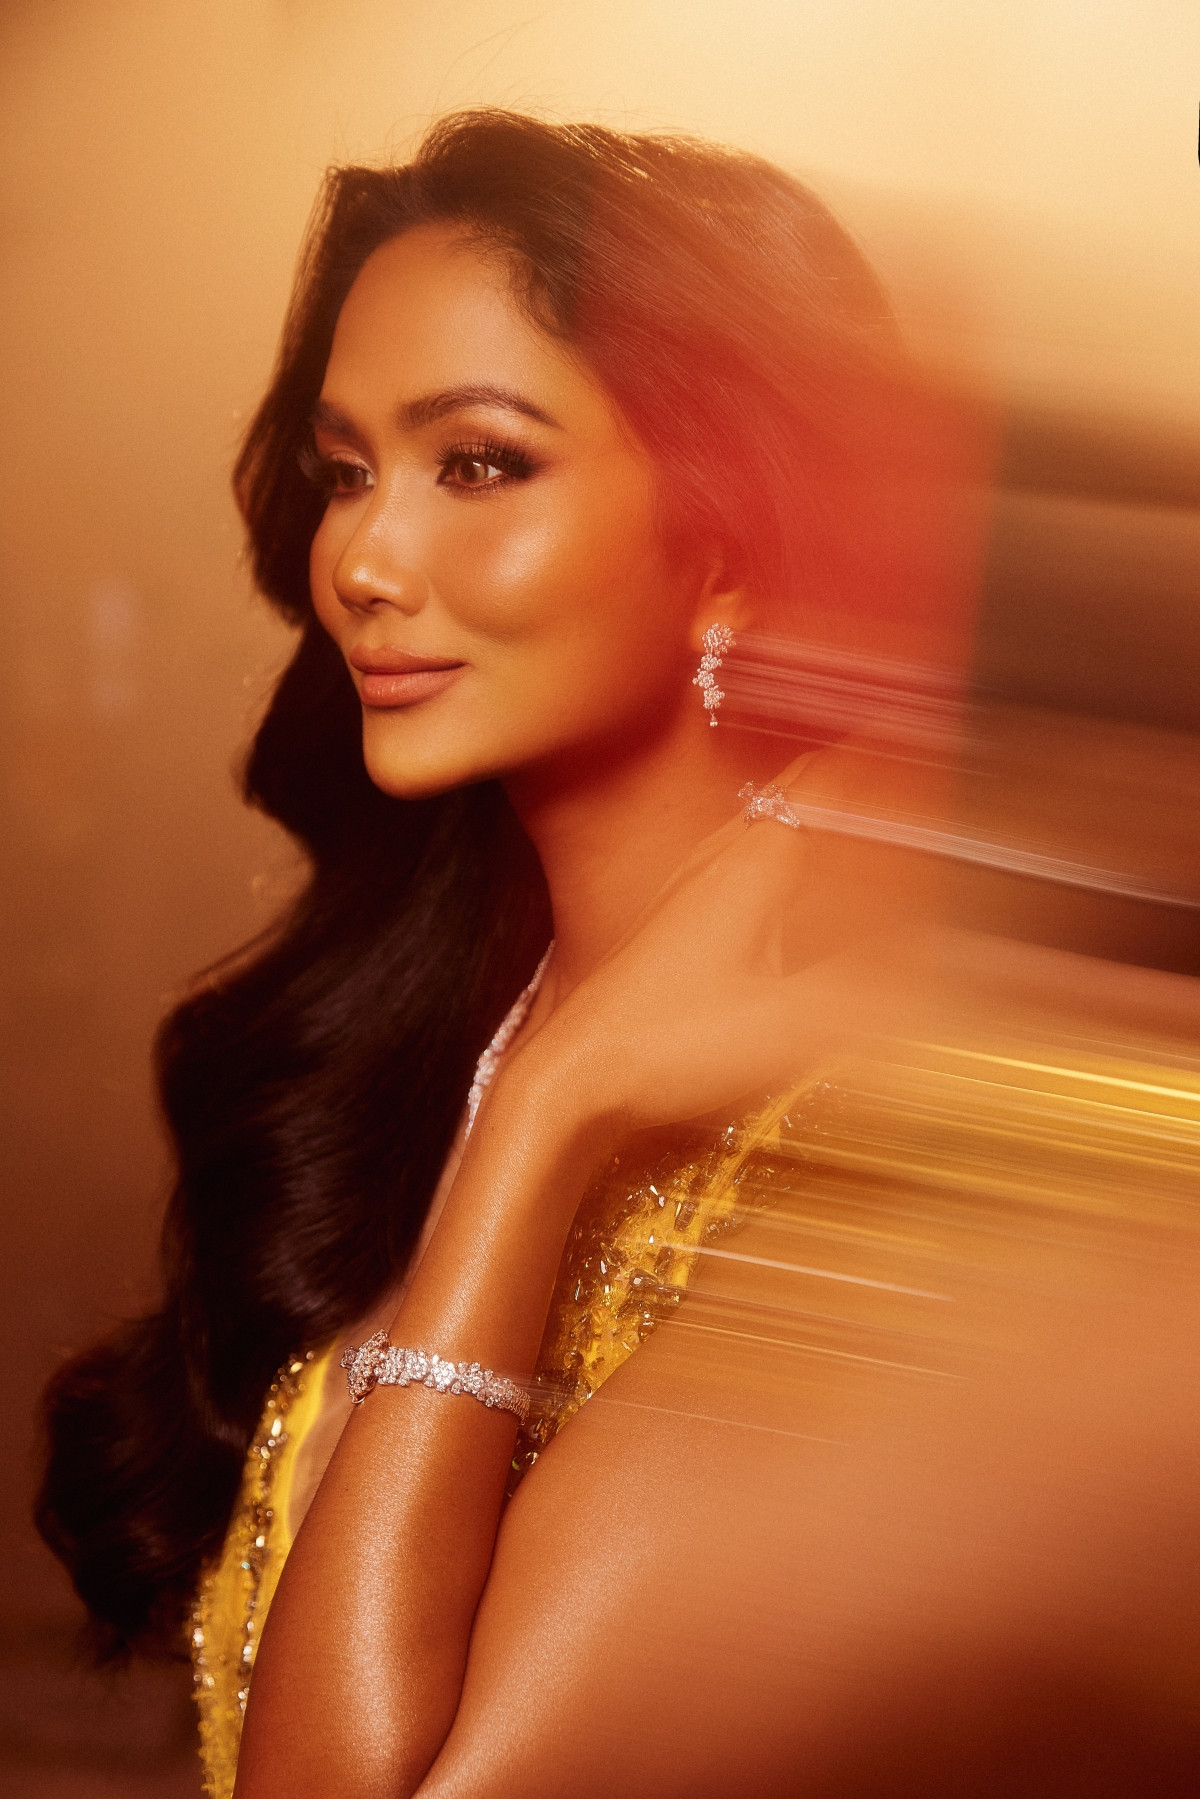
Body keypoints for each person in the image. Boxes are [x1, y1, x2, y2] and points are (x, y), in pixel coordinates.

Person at [36, 110, 1200, 1799]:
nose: (362, 561)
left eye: (480, 463)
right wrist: (540, 1098)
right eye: (348, 471)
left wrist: (549, 1123)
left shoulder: (892, 1138)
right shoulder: (438, 1042)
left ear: (729, 539)